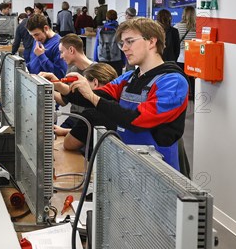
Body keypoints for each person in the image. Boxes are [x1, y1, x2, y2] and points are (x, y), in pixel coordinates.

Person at [48, 17, 189, 171]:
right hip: (128, 164)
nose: (124, 48)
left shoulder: (173, 82)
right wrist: (62, 87)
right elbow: (99, 95)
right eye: (123, 43)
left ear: (151, 42)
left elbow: (138, 119)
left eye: (130, 41)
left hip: (158, 171)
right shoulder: (128, 78)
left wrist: (93, 97)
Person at [49, 63, 118, 152]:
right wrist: (65, 131)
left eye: (84, 83)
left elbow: (69, 144)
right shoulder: (119, 103)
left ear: (95, 83)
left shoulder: (91, 113)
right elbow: (93, 132)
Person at [26, 13, 67, 79]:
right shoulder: (38, 40)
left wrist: (41, 56)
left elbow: (59, 75)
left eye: (37, 34)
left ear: (46, 28)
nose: (35, 38)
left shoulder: (59, 44)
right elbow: (34, 62)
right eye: (32, 36)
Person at [174, 5, 197, 99]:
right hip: (193, 58)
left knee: (181, 79)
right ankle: (194, 97)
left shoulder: (177, 27)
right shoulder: (197, 28)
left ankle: (182, 98)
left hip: (181, 57)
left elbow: (175, 43)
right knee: (193, 80)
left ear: (183, 14)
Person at [94, 9, 125, 75]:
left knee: (104, 81)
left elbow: (97, 45)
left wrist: (96, 59)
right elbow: (123, 46)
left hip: (102, 59)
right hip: (117, 59)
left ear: (106, 17)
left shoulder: (100, 29)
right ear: (116, 17)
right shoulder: (119, 29)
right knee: (117, 81)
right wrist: (124, 61)